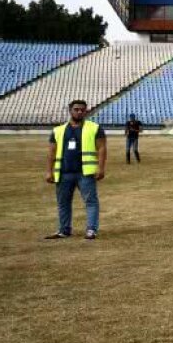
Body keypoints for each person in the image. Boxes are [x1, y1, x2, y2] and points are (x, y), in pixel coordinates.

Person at [45, 99, 107, 240]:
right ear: (70, 110)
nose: (79, 112)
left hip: (85, 173)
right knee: (63, 203)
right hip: (63, 172)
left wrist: (101, 168)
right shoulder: (58, 130)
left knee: (91, 201)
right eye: (76, 109)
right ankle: (64, 230)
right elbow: (51, 152)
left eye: (82, 110)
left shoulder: (95, 128)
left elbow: (102, 148)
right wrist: (49, 171)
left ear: (86, 111)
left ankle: (91, 229)